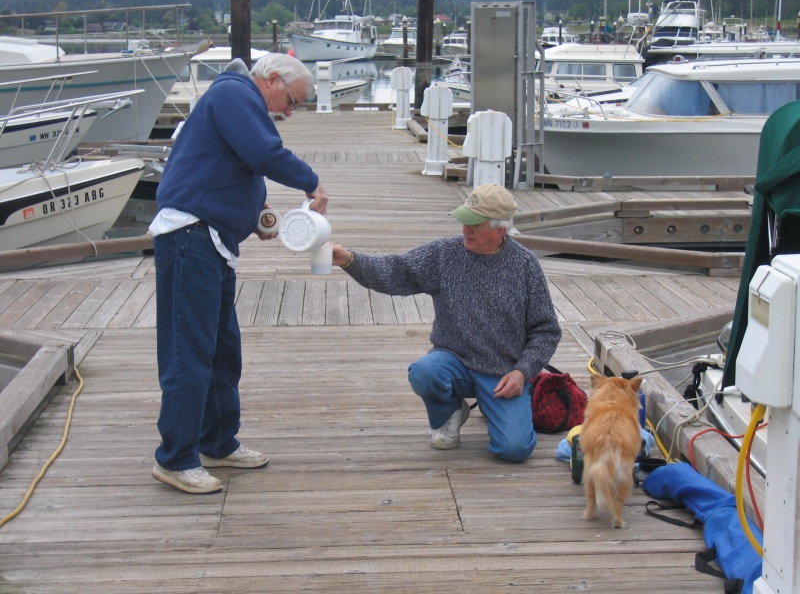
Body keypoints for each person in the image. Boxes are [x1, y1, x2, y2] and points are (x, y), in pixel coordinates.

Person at [149, 53, 328, 494]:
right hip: (189, 238)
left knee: (222, 351)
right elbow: (262, 152)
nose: (290, 112)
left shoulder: (238, 101)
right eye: (292, 101)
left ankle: (217, 442)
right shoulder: (234, 91)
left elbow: (228, 165)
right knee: (188, 352)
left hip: (213, 240)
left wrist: (256, 215)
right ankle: (175, 458)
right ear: (271, 79)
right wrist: (311, 182)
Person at [329, 184, 561, 462]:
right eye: (464, 220)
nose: (466, 229)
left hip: (503, 372)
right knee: (424, 372)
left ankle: (495, 405)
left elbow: (546, 330)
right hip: (453, 361)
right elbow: (394, 271)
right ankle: (451, 411)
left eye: (475, 223)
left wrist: (523, 372)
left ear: (500, 230)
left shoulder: (525, 265)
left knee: (515, 450)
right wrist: (349, 259)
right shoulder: (444, 254)